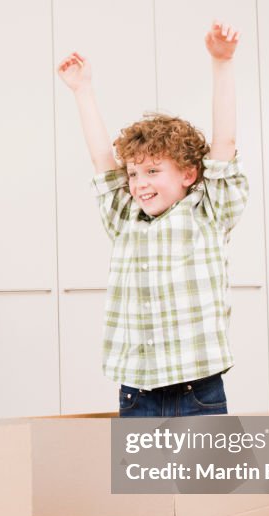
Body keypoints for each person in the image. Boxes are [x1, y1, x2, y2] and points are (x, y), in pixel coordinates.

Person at [56, 22, 249, 417]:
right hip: (137, 392)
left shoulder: (208, 211)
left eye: (153, 172)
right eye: (134, 173)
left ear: (189, 174)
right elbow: (101, 160)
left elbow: (225, 144)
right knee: (145, 482)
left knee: (204, 481)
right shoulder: (124, 218)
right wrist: (82, 90)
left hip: (198, 388)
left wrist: (221, 62)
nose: (139, 184)